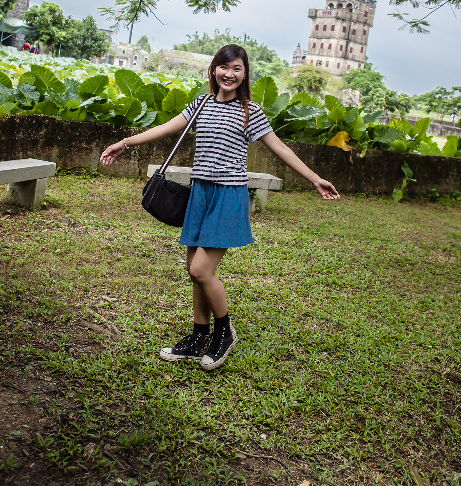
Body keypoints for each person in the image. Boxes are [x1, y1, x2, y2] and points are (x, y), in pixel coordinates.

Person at [100, 45, 339, 371]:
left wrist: (315, 179)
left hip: (228, 196)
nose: (229, 74)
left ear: (244, 74)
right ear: (214, 70)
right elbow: (165, 128)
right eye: (224, 67)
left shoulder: (249, 112)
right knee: (193, 271)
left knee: (202, 270)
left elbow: (279, 147)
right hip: (199, 194)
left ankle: (224, 332)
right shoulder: (201, 105)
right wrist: (124, 143)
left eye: (237, 68)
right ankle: (199, 336)